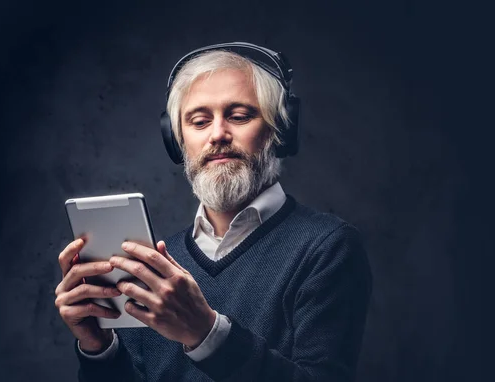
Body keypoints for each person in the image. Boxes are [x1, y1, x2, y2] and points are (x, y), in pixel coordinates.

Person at [54, 42, 372, 382]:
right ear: (177, 141)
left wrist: (206, 334)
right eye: (199, 121)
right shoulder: (156, 266)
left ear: (279, 130)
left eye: (239, 116)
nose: (218, 135)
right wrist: (100, 350)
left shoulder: (327, 247)